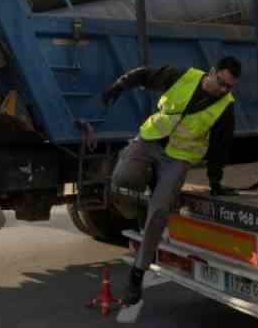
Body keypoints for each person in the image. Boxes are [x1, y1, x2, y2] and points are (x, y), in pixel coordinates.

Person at [103, 56, 241, 305]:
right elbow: (145, 74)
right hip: (150, 139)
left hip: (177, 159)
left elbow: (221, 147)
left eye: (228, 87)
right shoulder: (183, 76)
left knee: (159, 212)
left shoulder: (226, 106)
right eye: (220, 82)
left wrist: (215, 181)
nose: (222, 90)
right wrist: (120, 85)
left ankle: (137, 274)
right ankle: (136, 207)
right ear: (211, 72)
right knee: (121, 180)